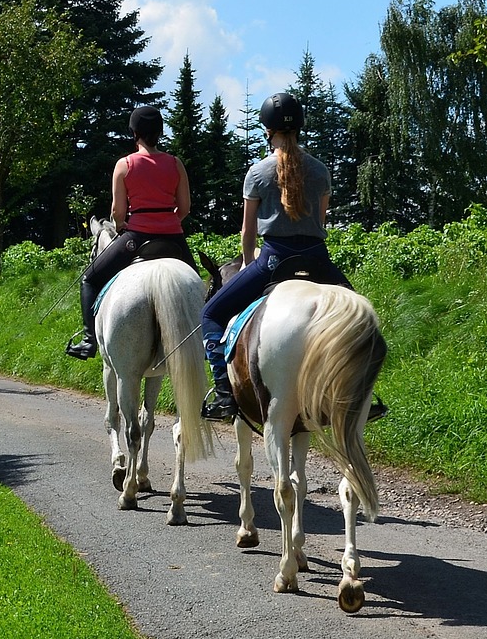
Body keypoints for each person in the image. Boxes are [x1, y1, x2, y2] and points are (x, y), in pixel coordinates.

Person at [198, 91, 385, 422]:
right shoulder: (320, 170)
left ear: (266, 130)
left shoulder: (257, 173)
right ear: (300, 127)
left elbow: (248, 232)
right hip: (317, 259)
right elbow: (321, 220)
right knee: (362, 324)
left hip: (272, 260)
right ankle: (362, 397)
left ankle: (224, 395)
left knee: (212, 313)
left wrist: (247, 263)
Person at [64, 105, 200, 360]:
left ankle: (88, 339)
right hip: (173, 238)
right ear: (160, 132)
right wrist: (168, 223)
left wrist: (121, 227)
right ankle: (204, 340)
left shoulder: (124, 165)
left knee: (89, 280)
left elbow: (117, 212)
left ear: (134, 132)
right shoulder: (175, 164)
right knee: (200, 288)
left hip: (136, 238)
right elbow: (185, 207)